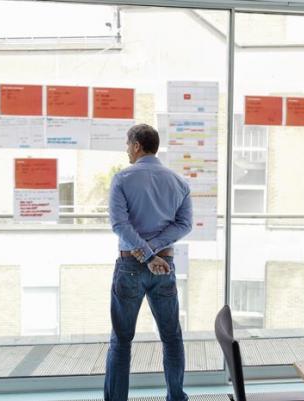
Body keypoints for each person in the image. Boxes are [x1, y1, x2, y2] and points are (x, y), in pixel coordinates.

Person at [105, 123, 192, 401]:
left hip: (130, 266)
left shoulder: (122, 179)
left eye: (127, 144)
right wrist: (154, 252)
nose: (126, 150)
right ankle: (176, 397)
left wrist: (144, 253)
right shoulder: (179, 182)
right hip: (164, 267)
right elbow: (185, 224)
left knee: (121, 340)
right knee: (171, 337)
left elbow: (120, 225)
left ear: (136, 146)